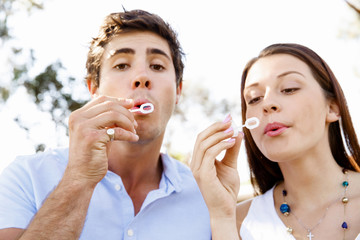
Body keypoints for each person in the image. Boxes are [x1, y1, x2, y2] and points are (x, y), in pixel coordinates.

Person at [0, 9, 211, 239]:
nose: (142, 76)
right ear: (94, 89)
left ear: (178, 91)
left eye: (157, 66)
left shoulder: (207, 198)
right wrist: (78, 179)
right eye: (121, 65)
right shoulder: (25, 177)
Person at [191, 43, 360, 239]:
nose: (267, 104)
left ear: (332, 108)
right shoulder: (235, 221)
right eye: (254, 99)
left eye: (289, 89)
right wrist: (221, 216)